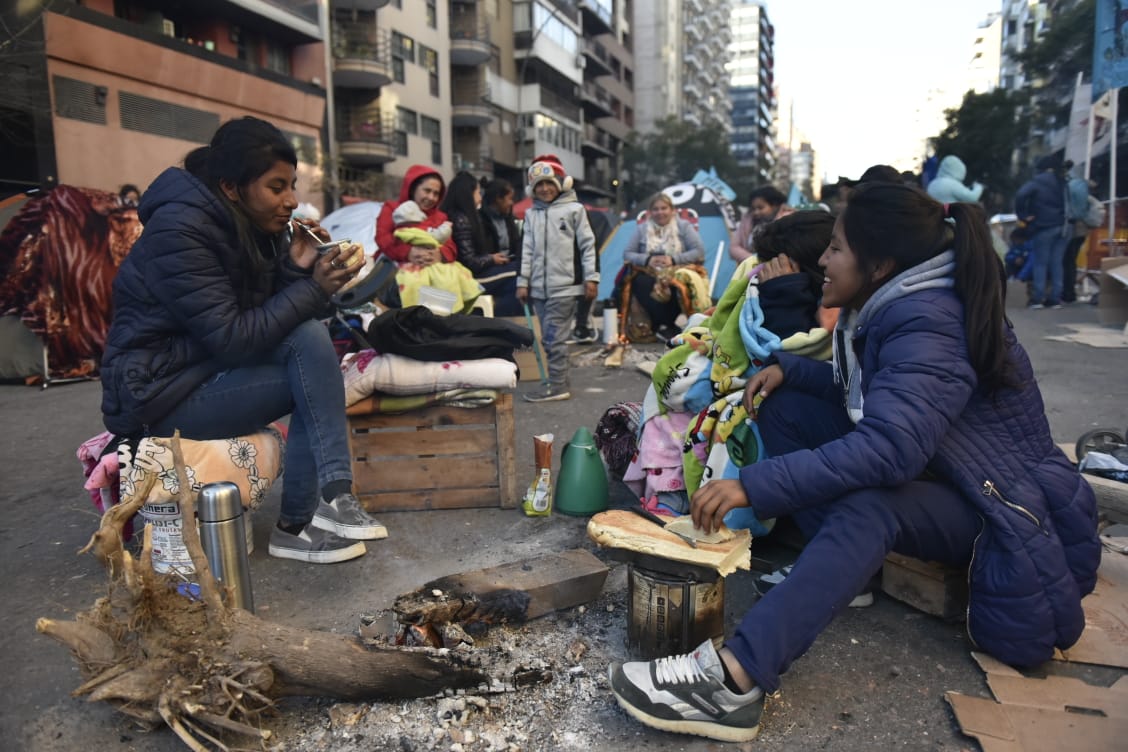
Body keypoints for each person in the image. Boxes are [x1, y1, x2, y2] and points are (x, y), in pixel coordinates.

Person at [608, 182, 1100, 743]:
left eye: (837, 247)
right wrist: (792, 370)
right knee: (784, 405)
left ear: (881, 262)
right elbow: (873, 400)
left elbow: (893, 447)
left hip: (994, 505)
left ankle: (733, 683)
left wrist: (754, 485)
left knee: (871, 507)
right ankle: (849, 572)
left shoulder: (929, 321)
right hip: (948, 473)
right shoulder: (899, 303)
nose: (823, 259)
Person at [100, 116, 388, 564]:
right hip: (159, 395)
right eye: (277, 187)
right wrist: (313, 288)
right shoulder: (180, 232)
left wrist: (297, 268)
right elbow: (233, 337)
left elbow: (266, 317)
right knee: (310, 367)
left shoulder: (252, 227)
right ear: (232, 187)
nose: (292, 201)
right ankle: (311, 514)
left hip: (205, 372)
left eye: (292, 185)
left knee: (312, 350)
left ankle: (320, 508)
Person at [515, 154, 598, 402]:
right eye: (538, 184)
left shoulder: (575, 210)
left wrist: (591, 278)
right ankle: (559, 379)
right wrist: (523, 281)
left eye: (549, 182)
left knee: (554, 338)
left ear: (562, 182)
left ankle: (557, 385)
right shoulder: (531, 215)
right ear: (533, 188)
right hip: (539, 289)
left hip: (566, 287)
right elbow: (526, 249)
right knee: (550, 338)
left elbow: (587, 245)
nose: (544, 188)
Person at [376, 165, 480, 311]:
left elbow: (451, 247)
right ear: (413, 189)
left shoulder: (440, 217)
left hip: (434, 272)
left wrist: (439, 254)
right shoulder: (392, 209)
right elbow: (383, 238)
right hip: (395, 272)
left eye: (436, 193)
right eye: (427, 191)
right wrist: (408, 252)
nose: (431, 197)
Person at [618, 192, 707, 341]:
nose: (660, 212)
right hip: (648, 272)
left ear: (672, 210)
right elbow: (628, 254)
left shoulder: (683, 227)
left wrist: (673, 259)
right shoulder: (642, 229)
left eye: (664, 208)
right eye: (656, 209)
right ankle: (662, 325)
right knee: (641, 282)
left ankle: (667, 324)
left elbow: (699, 251)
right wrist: (647, 260)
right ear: (650, 212)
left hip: (675, 271)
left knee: (675, 284)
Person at [441, 173, 521, 316]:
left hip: (475, 271)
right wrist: (491, 259)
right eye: (478, 193)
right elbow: (468, 261)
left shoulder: (468, 217)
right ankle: (497, 321)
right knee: (520, 274)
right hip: (469, 277)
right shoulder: (462, 219)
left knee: (521, 273)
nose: (480, 197)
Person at [1014, 154, 1070, 309]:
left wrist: (1023, 216)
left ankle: (1038, 299)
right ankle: (1055, 299)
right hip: (1063, 226)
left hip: (1043, 226)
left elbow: (1020, 195)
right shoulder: (1062, 181)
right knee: (1057, 263)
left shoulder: (1037, 181)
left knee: (1040, 263)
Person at [731, 185, 790, 262]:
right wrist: (753, 260)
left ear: (775, 206)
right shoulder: (747, 219)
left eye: (760, 208)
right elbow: (734, 247)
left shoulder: (787, 219)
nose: (756, 212)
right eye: (753, 208)